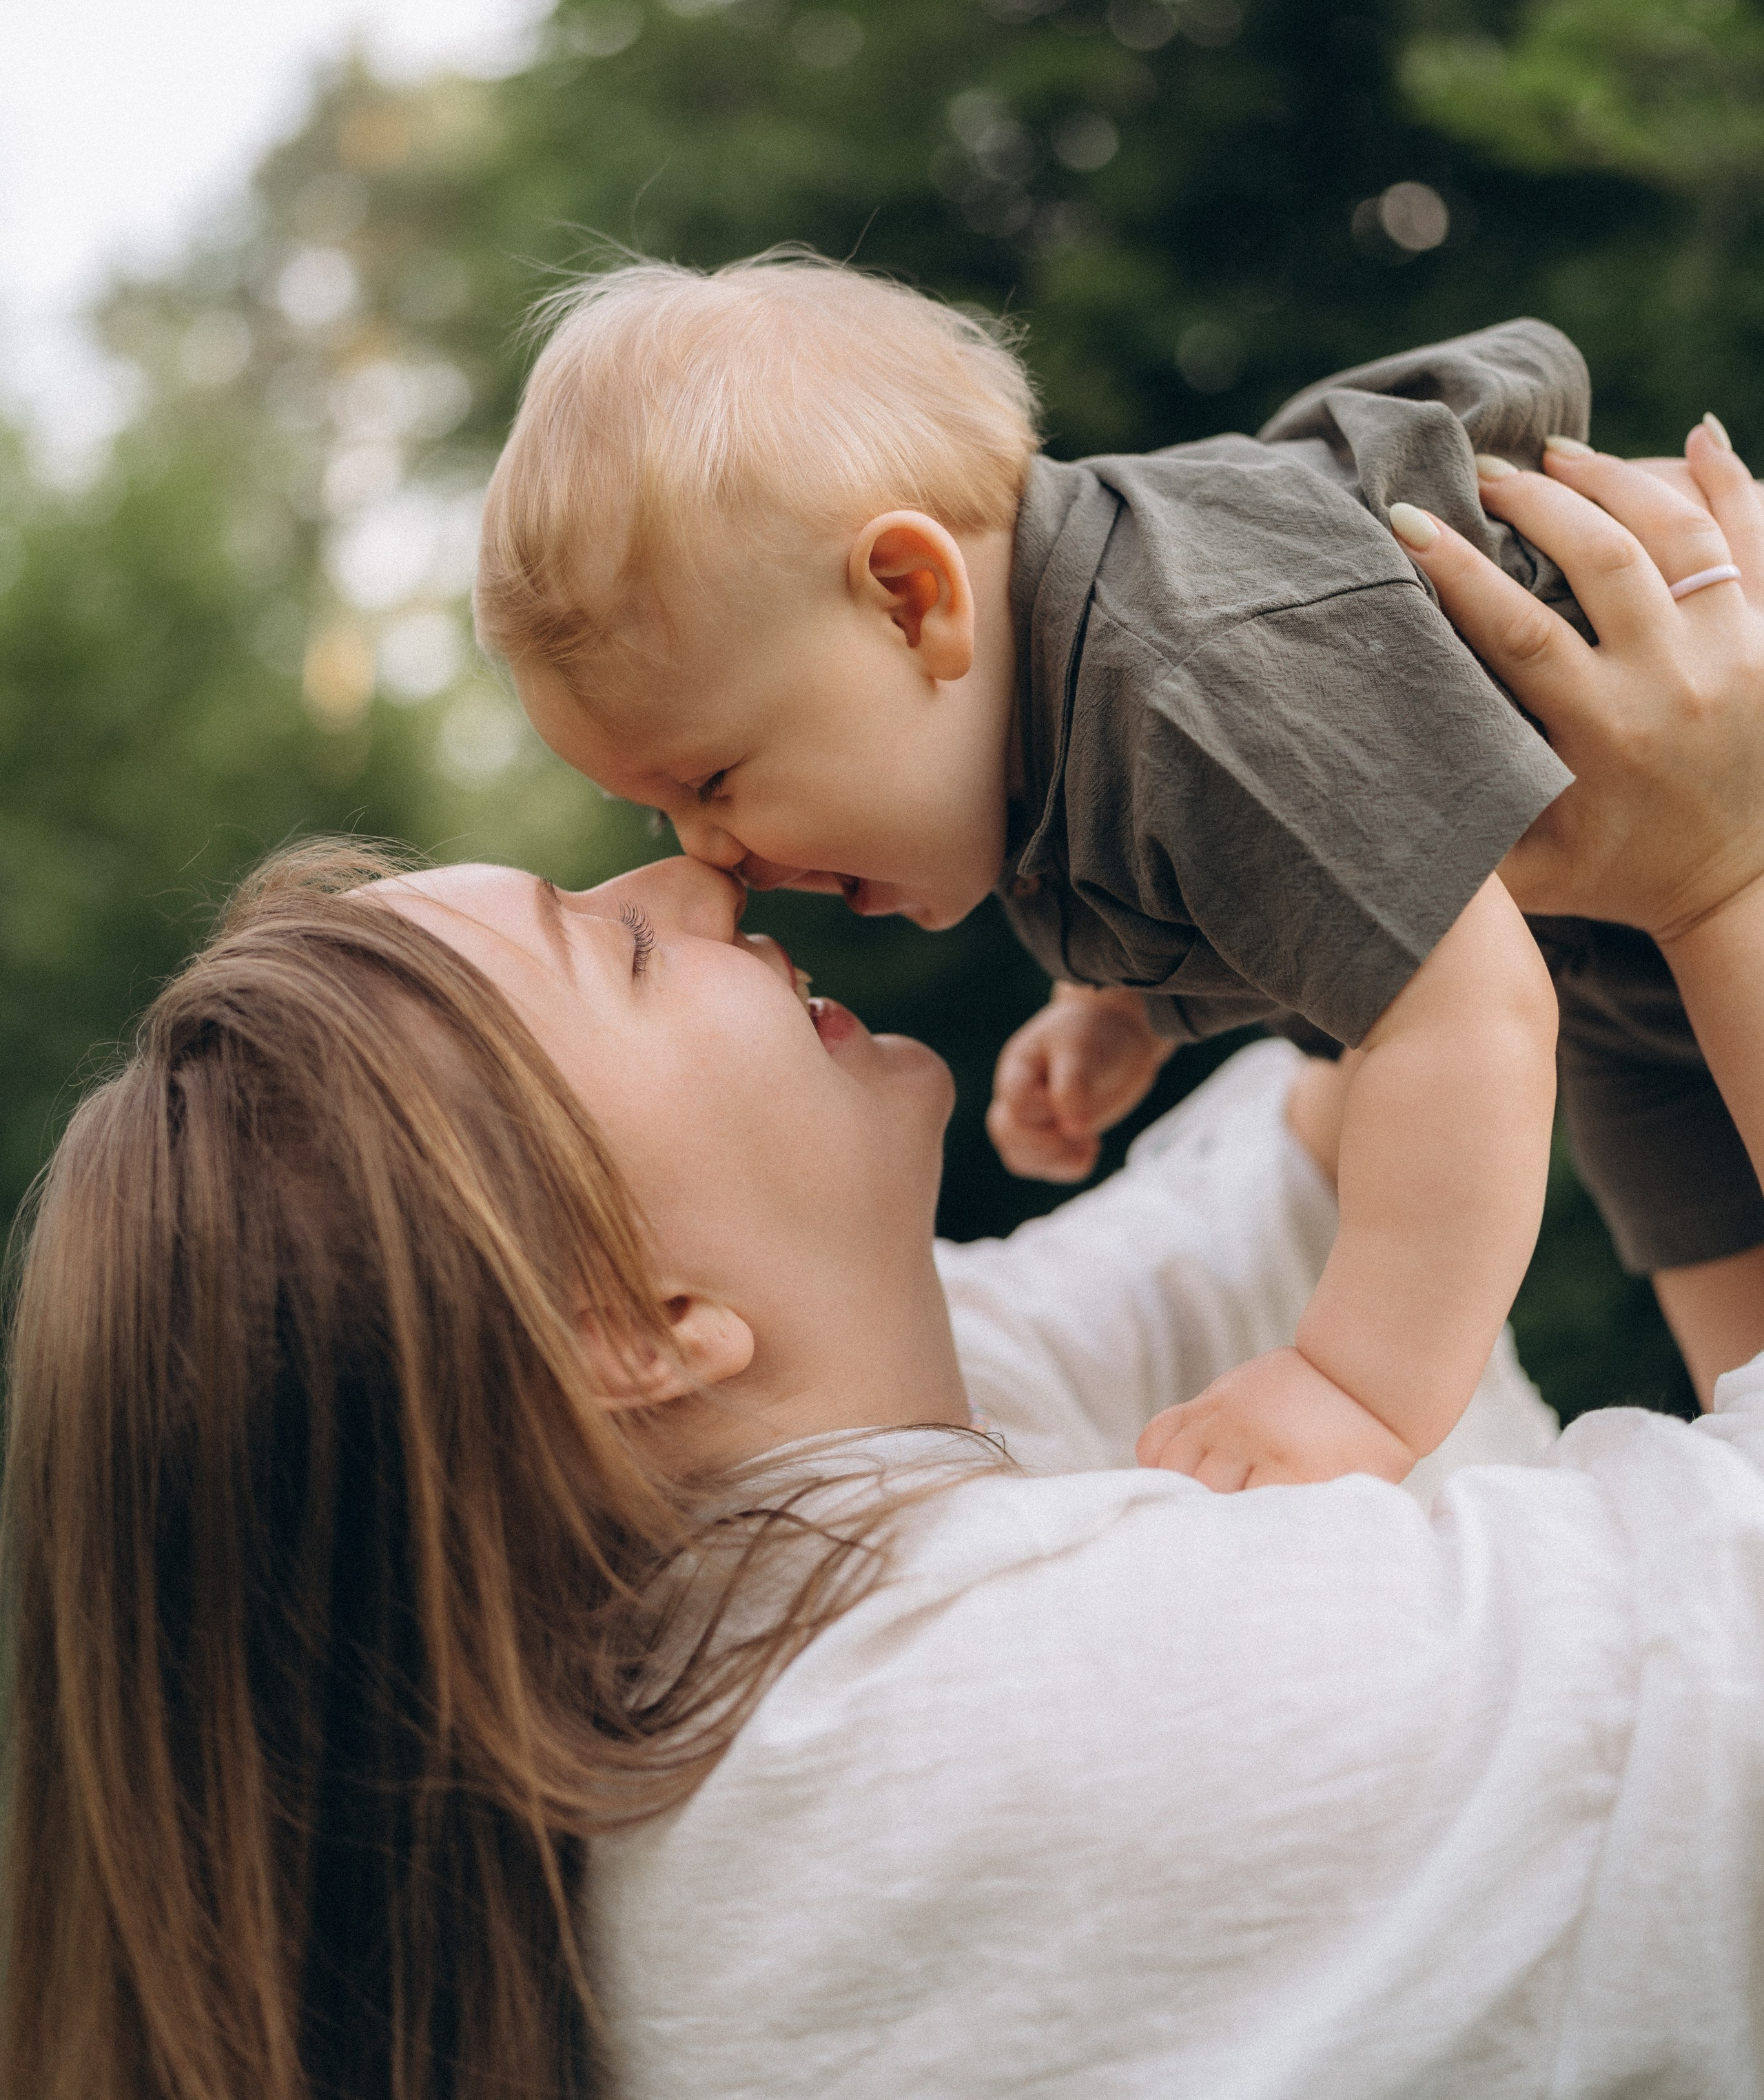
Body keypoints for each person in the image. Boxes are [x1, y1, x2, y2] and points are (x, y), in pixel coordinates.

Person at [10, 432, 1764, 2100]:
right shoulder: (986, 1734)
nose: (700, 884)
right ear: (629, 1324)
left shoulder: (735, 1539)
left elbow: (1337, 1150)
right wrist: (1725, 872)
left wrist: (1346, 769)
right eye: (618, 953)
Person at [473, 253, 1763, 1477]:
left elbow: (1468, 1015)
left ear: (913, 600)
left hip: (1713, 824)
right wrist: (1130, 1005)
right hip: (1633, 954)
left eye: (711, 783)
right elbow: (1277, 865)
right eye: (662, 817)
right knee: (1741, 1385)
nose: (717, 866)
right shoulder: (1079, 715)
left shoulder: (1189, 681)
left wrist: (1353, 1385)